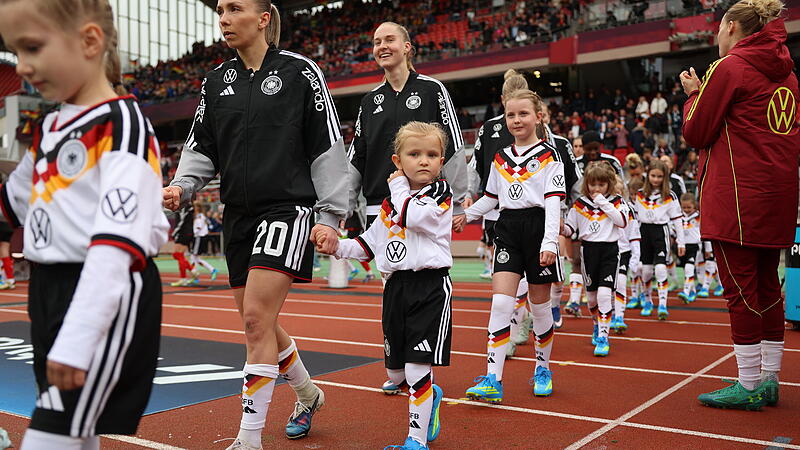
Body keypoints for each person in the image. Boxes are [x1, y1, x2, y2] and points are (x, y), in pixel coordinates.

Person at [162, 0, 350, 446]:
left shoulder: (300, 72)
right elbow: (201, 145)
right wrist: (183, 185)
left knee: (254, 321)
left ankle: (248, 439)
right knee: (259, 322)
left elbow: (326, 145)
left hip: (287, 208)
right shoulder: (216, 80)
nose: (224, 19)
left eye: (234, 9)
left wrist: (330, 215)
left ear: (263, 18)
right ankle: (308, 393)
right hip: (238, 215)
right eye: (220, 11)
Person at [0, 1, 169, 448]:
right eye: (15, 52)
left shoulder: (122, 125)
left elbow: (116, 245)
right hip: (47, 290)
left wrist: (78, 338)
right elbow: (13, 202)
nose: (22, 66)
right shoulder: (49, 127)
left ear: (90, 41)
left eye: (32, 47)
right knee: (75, 433)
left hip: (102, 293)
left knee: (51, 433)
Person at [680, 0, 799, 410]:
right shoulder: (789, 76)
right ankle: (769, 378)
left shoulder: (729, 67)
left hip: (736, 198)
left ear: (731, 26)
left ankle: (748, 384)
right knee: (769, 289)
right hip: (777, 197)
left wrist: (693, 95)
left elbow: (696, 132)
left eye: (719, 27)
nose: (717, 35)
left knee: (741, 292)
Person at [319, 121, 453, 450]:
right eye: (414, 154)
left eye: (431, 155)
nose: (424, 161)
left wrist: (398, 187)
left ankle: (415, 440)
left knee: (417, 367)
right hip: (395, 289)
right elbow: (368, 245)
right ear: (398, 161)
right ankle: (430, 395)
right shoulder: (391, 203)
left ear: (441, 161)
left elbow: (414, 217)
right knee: (396, 374)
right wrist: (336, 246)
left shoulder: (439, 194)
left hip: (430, 288)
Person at [464, 89, 565, 402]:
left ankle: (542, 369)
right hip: (507, 228)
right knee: (500, 304)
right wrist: (465, 216)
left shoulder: (550, 156)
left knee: (540, 307)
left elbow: (553, 204)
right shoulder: (500, 157)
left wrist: (550, 242)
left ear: (538, 117)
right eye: (511, 115)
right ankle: (493, 379)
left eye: (523, 114)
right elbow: (491, 198)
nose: (517, 120)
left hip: (538, 230)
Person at [348, 22, 467, 229]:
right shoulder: (369, 101)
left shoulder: (432, 90)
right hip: (378, 208)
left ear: (406, 47)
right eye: (377, 42)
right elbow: (357, 157)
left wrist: (456, 203)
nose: (382, 46)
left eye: (389, 40)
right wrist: (342, 207)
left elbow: (453, 146)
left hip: (425, 203)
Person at [562, 163, 627, 356]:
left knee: (604, 295)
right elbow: (570, 229)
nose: (596, 188)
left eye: (601, 184)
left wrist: (603, 202)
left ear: (609, 184)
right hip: (588, 252)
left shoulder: (617, 202)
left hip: (609, 251)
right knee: (591, 298)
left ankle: (604, 337)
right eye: (593, 184)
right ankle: (597, 324)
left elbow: (622, 221)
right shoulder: (580, 204)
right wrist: (560, 227)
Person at [632, 160, 685, 320]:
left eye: (660, 176)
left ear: (665, 177)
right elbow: (635, 219)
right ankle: (648, 301)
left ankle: (662, 304)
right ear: (648, 175)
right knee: (646, 270)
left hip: (661, 233)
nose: (656, 179)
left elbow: (677, 220)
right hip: (644, 233)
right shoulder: (640, 194)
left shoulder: (670, 195)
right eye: (653, 176)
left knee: (661, 268)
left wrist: (681, 241)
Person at [677, 193, 701, 303]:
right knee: (686, 270)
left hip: (693, 246)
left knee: (689, 268)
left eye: (689, 207)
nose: (686, 210)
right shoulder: (678, 216)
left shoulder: (698, 216)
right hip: (682, 246)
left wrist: (708, 248)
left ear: (694, 206)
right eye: (684, 207)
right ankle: (693, 291)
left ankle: (685, 292)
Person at [0, 221, 16, 289]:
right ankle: (10, 280)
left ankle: (2, 280)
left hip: (2, 226)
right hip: (7, 226)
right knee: (4, 251)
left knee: (4, 251)